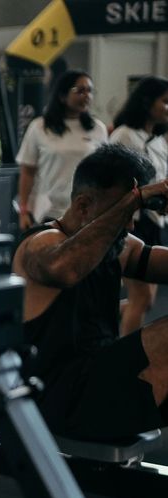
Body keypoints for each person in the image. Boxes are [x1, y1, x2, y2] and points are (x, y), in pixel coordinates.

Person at [14, 143, 168, 442]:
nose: (130, 222)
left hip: (97, 387)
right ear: (84, 206)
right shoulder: (40, 244)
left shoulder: (118, 246)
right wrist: (133, 200)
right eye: (126, 210)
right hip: (54, 399)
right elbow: (65, 269)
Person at [109, 76, 168, 334]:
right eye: (165, 101)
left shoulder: (157, 140)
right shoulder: (124, 135)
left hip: (156, 223)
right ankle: (125, 365)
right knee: (140, 299)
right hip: (132, 223)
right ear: (147, 102)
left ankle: (88, 314)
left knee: (146, 301)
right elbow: (112, 182)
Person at [17, 69, 107, 231]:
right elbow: (27, 172)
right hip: (48, 212)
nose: (87, 96)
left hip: (87, 213)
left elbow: (104, 173)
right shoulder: (39, 126)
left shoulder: (98, 128)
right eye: (80, 91)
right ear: (62, 96)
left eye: (90, 91)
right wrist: (23, 211)